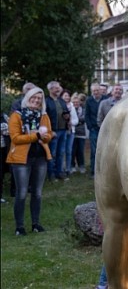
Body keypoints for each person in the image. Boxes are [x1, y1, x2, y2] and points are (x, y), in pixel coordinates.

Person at [7, 87, 53, 235]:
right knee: (21, 193)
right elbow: (15, 138)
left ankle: (35, 223)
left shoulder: (43, 115)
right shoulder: (17, 115)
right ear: (27, 98)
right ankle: (19, 227)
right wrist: (36, 136)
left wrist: (46, 137)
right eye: (33, 97)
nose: (36, 100)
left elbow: (49, 134)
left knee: (37, 193)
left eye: (39, 98)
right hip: (21, 159)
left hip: (40, 158)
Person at [45, 81, 69, 181]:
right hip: (53, 132)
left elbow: (66, 113)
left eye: (59, 87)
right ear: (50, 89)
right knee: (52, 153)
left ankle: (59, 173)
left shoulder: (62, 100)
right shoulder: (46, 101)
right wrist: (50, 131)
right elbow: (45, 118)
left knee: (61, 153)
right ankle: (51, 174)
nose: (58, 89)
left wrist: (67, 117)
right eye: (56, 88)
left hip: (63, 130)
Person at [85, 83, 104, 176]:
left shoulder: (105, 99)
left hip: (104, 128)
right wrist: (90, 127)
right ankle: (94, 171)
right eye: (94, 91)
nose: (96, 92)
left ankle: (104, 170)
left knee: (104, 149)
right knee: (94, 151)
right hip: (94, 129)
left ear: (100, 90)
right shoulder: (89, 101)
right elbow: (87, 115)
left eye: (97, 90)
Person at [61, 89, 78, 176]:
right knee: (61, 151)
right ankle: (61, 168)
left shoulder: (72, 107)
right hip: (63, 131)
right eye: (65, 96)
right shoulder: (60, 105)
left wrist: (72, 123)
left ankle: (68, 168)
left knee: (69, 150)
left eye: (68, 96)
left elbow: (76, 120)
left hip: (71, 131)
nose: (66, 97)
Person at [71, 93, 87, 174]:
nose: (76, 104)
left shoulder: (83, 110)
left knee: (80, 151)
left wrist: (76, 120)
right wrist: (77, 120)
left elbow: (84, 118)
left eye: (77, 102)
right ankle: (72, 166)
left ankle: (81, 166)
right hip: (72, 133)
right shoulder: (71, 109)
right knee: (73, 150)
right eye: (74, 102)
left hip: (81, 133)